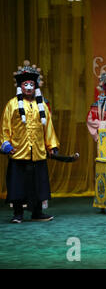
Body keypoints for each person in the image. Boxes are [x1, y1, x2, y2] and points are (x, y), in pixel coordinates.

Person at [1, 60, 59, 223]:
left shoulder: (42, 106)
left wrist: (51, 145)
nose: (28, 87)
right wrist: (6, 144)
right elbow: (6, 126)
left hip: (38, 152)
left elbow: (48, 127)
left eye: (31, 84)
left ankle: (37, 212)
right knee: (18, 185)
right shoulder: (12, 105)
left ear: (36, 86)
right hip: (19, 151)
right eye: (25, 84)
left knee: (38, 184)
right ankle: (18, 214)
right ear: (20, 86)